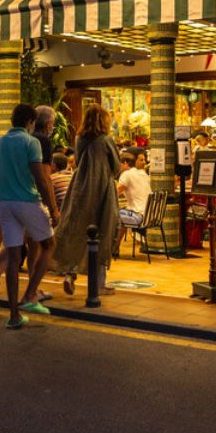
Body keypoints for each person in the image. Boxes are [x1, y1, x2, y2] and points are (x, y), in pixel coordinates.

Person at [0, 104, 59, 328]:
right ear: (30, 122)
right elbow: (40, 178)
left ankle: (14, 315)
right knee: (49, 244)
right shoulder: (31, 142)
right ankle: (30, 294)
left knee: (14, 256)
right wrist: (52, 208)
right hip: (28, 201)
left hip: (6, 204)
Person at [52, 105, 122, 297]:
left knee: (77, 230)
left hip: (80, 188)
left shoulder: (79, 138)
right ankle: (99, 285)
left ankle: (70, 273)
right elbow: (116, 167)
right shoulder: (106, 140)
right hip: (102, 189)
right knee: (103, 231)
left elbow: (78, 160)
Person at [117, 151, 152, 227]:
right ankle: (119, 236)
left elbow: (114, 194)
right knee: (120, 211)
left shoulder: (126, 174)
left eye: (120, 164)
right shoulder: (143, 173)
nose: (119, 167)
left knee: (110, 214)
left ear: (125, 163)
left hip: (138, 216)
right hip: (149, 215)